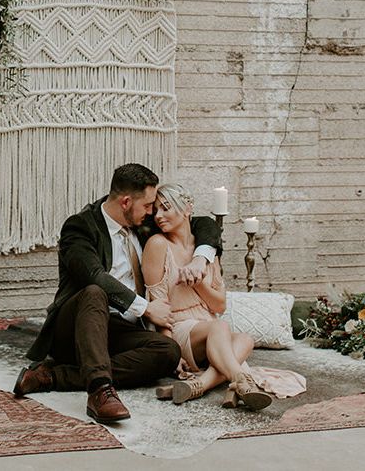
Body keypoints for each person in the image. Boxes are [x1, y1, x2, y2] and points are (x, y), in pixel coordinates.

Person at [13, 163, 222, 424]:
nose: (152, 213)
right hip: (78, 325)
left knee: (168, 352)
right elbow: (93, 276)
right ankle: (100, 391)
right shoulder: (80, 227)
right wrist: (146, 308)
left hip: (120, 330)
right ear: (125, 202)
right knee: (94, 292)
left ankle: (53, 376)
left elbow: (204, 224)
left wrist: (201, 258)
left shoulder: (142, 224)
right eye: (148, 206)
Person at [143, 183, 305, 408]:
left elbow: (219, 305)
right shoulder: (157, 244)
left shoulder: (206, 251)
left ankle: (198, 386)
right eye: (156, 211)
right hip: (179, 328)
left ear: (187, 209)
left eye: (166, 208)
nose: (159, 216)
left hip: (209, 327)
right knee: (220, 327)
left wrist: (198, 283)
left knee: (245, 339)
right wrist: (170, 353)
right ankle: (241, 380)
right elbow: (157, 305)